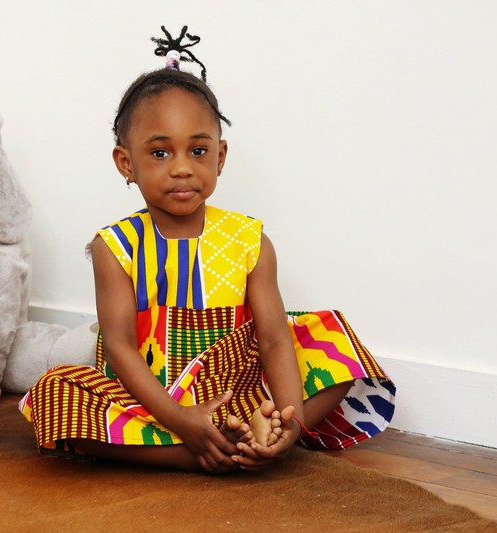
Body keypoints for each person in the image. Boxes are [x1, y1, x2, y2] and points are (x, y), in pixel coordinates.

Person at [20, 26, 395, 473]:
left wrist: (289, 416)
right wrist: (181, 418)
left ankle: (274, 436)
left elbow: (274, 339)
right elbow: (119, 349)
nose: (182, 168)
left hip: (240, 395)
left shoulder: (249, 240)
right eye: (160, 153)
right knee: (54, 391)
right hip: (153, 405)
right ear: (126, 163)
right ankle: (192, 452)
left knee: (333, 339)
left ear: (219, 157)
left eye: (198, 151)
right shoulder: (116, 247)